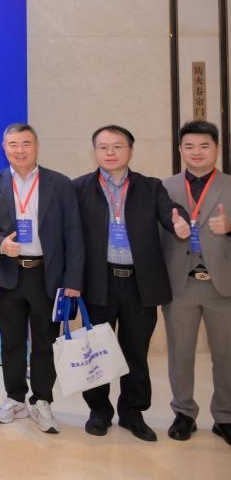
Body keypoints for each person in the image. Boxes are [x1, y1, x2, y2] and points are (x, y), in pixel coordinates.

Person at [73, 124, 190, 441]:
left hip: (140, 284)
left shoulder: (150, 187)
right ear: (95, 152)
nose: (110, 152)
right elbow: (70, 235)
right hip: (98, 282)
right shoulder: (79, 188)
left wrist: (179, 221)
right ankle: (99, 412)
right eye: (103, 147)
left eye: (117, 146)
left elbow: (170, 211)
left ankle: (132, 413)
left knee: (135, 352)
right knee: (97, 350)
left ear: (130, 150)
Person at [0, 122, 84, 434]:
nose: (20, 150)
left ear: (36, 146)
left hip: (47, 276)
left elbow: (74, 234)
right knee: (11, 342)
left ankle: (42, 399)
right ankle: (15, 397)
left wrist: (73, 281)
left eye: (26, 143)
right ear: (4, 149)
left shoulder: (59, 183)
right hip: (9, 275)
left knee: (44, 342)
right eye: (13, 144)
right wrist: (0, 244)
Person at [160, 120, 231, 445]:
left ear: (217, 148)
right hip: (180, 284)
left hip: (223, 285)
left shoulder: (228, 185)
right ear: (180, 150)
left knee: (226, 355)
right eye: (189, 146)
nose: (197, 152)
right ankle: (184, 413)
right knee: (181, 354)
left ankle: (225, 416)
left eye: (204, 146)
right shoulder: (165, 187)